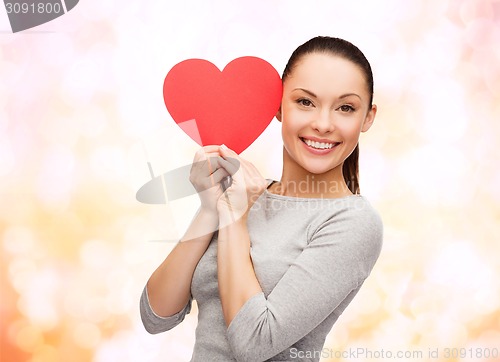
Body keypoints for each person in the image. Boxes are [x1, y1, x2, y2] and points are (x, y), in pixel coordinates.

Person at [140, 36, 383, 362]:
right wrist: (210, 209)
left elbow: (254, 343)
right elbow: (156, 316)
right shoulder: (243, 194)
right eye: (306, 102)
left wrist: (235, 220)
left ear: (367, 117)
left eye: (345, 108)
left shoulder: (352, 221)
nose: (323, 124)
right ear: (278, 106)